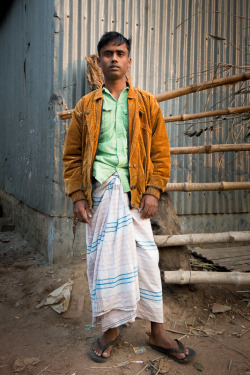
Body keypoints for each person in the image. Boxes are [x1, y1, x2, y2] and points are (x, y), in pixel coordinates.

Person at [63, 31, 196, 364]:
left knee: (147, 262)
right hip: (101, 196)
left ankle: (156, 331)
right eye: (107, 53)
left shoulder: (146, 103)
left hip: (136, 197)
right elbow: (72, 155)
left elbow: (160, 153)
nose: (114, 59)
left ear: (129, 60)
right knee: (104, 265)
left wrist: (153, 191)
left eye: (120, 53)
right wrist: (78, 196)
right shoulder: (85, 107)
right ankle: (111, 329)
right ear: (99, 60)